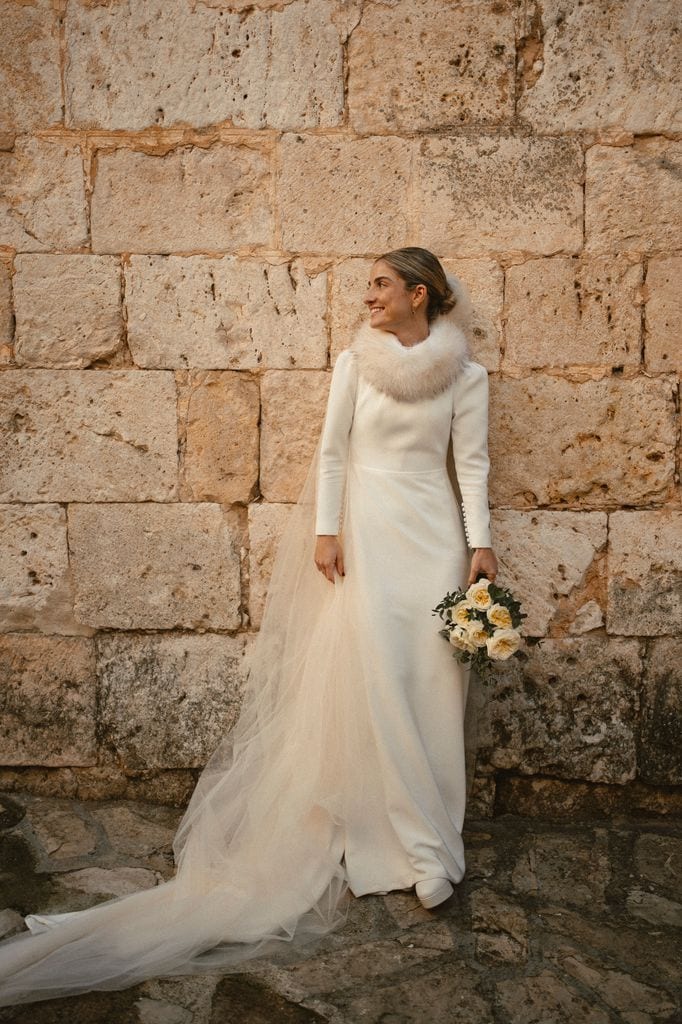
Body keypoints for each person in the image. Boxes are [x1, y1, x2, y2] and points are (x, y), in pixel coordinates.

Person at [0, 247, 497, 1006]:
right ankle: (402, 843)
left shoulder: (466, 378)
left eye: (381, 285)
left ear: (418, 294)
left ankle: (433, 836)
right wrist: (325, 531)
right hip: (368, 542)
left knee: (433, 683)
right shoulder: (354, 366)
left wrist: (482, 542)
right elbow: (332, 455)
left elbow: (473, 466)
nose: (367, 296)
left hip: (433, 544)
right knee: (378, 682)